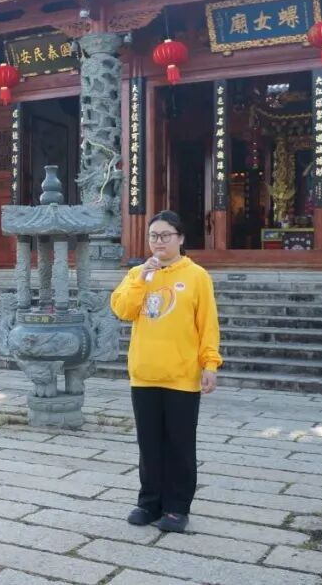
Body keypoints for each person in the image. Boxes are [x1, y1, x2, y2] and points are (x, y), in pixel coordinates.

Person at [110, 210, 222, 534]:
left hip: (181, 376)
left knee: (179, 446)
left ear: (180, 238)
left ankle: (176, 507)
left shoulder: (197, 276)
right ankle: (149, 503)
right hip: (144, 373)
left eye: (165, 236)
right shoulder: (137, 273)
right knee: (149, 444)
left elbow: (208, 324)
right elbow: (122, 310)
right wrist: (141, 280)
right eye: (153, 236)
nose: (158, 242)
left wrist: (210, 364)